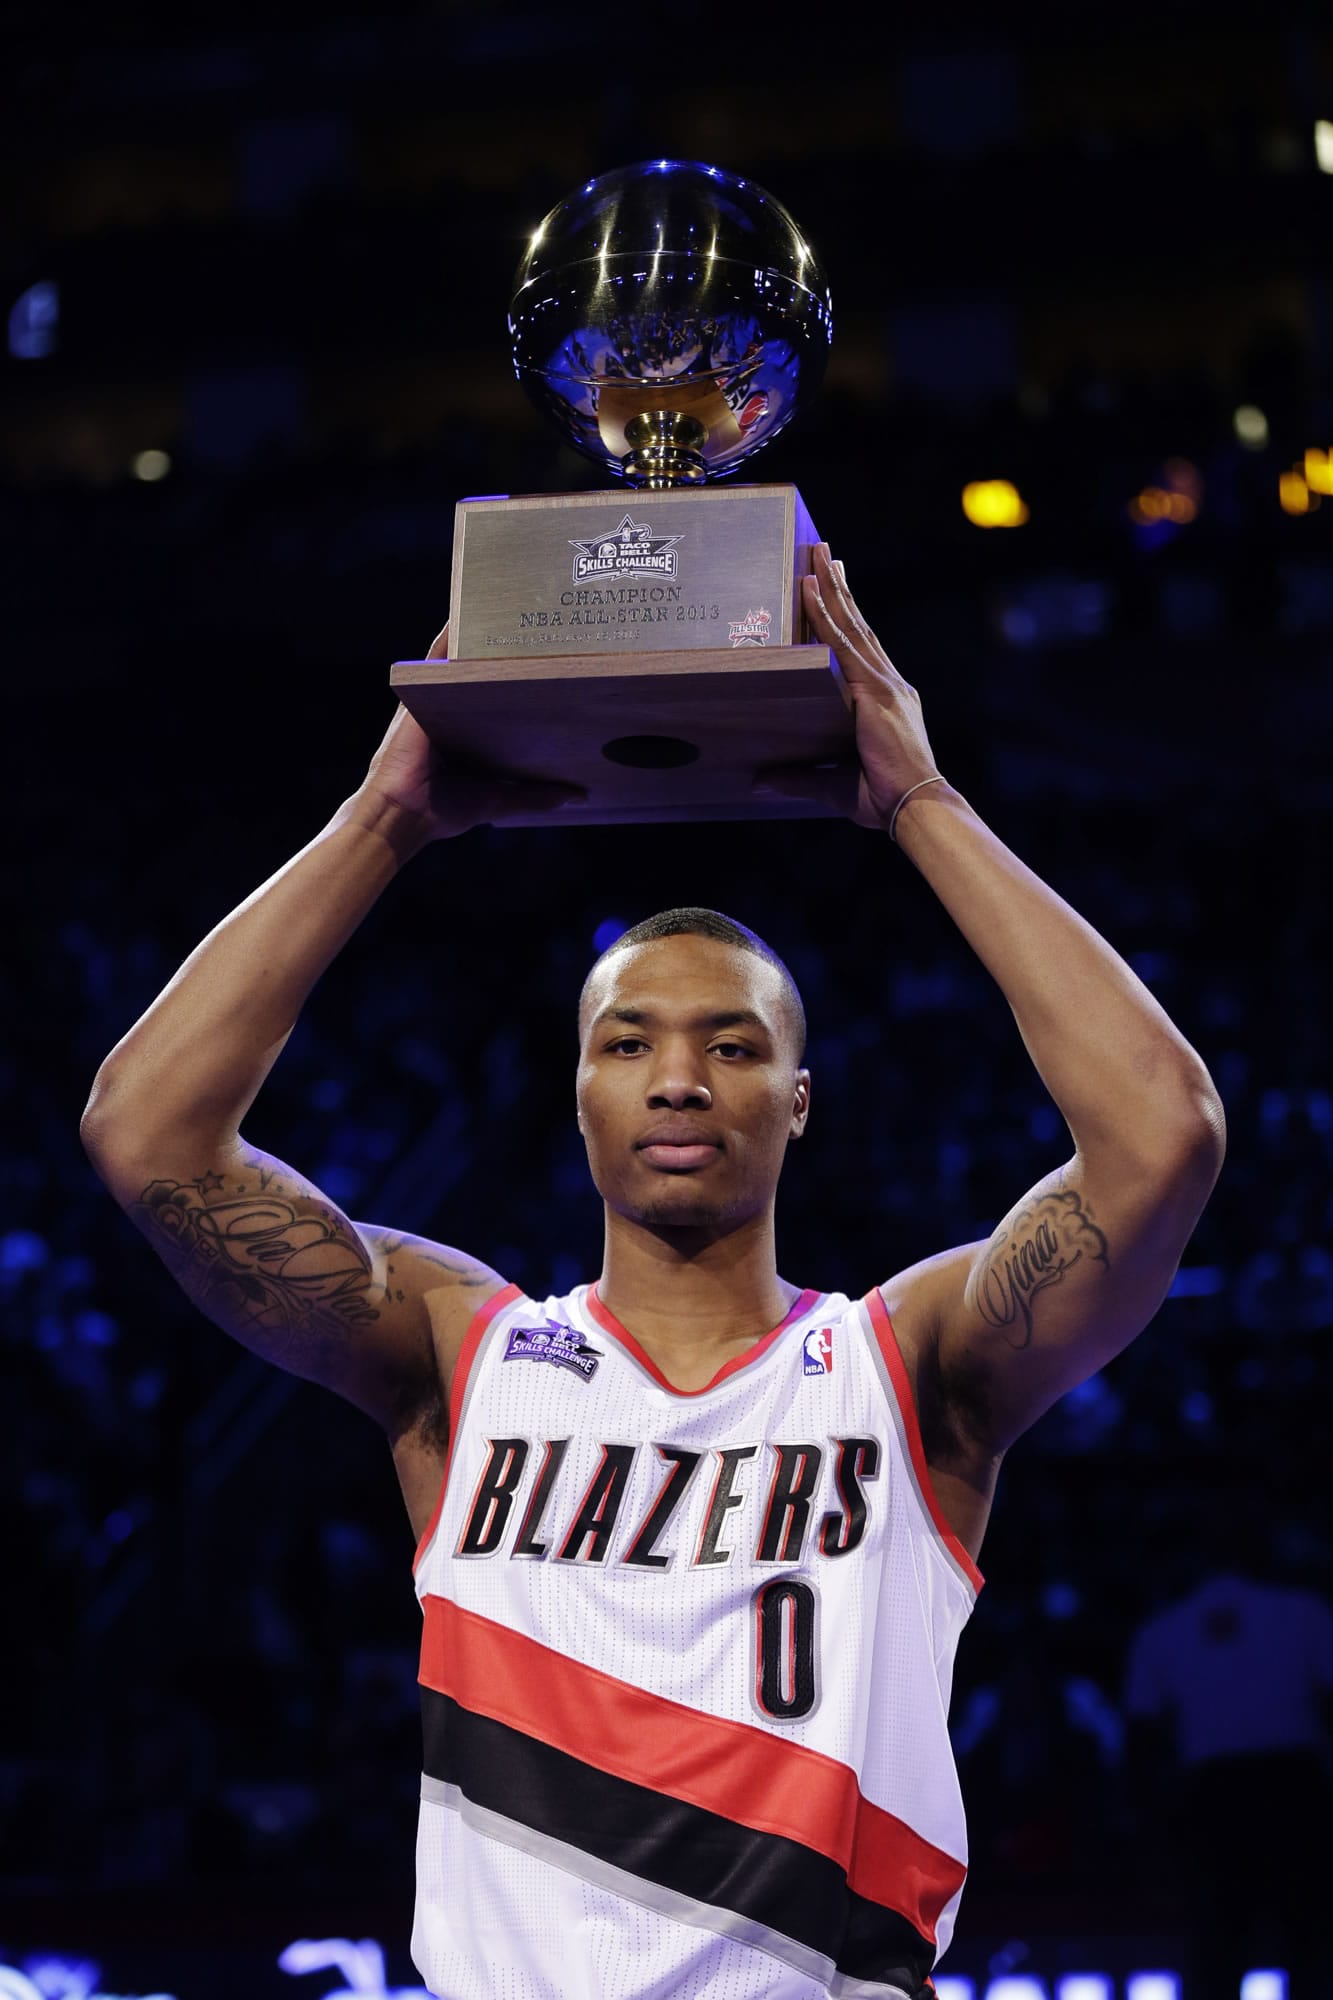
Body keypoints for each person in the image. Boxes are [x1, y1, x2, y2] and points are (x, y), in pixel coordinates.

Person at [81, 546, 1226, 2000]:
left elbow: (1160, 1137)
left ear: (797, 1101)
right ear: (578, 1094)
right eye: (628, 1043)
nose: (678, 1078)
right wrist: (383, 819)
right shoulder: (458, 1353)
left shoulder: (910, 1365)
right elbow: (146, 1131)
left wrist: (919, 805)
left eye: (733, 1045)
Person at [1123, 1493, 1333, 1999]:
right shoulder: (1303, 1612)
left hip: (1214, 1795)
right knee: (1307, 1937)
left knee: (1219, 1942)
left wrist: (1153, 1819)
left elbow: (1142, 1736)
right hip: (1294, 1788)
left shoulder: (1163, 1630)